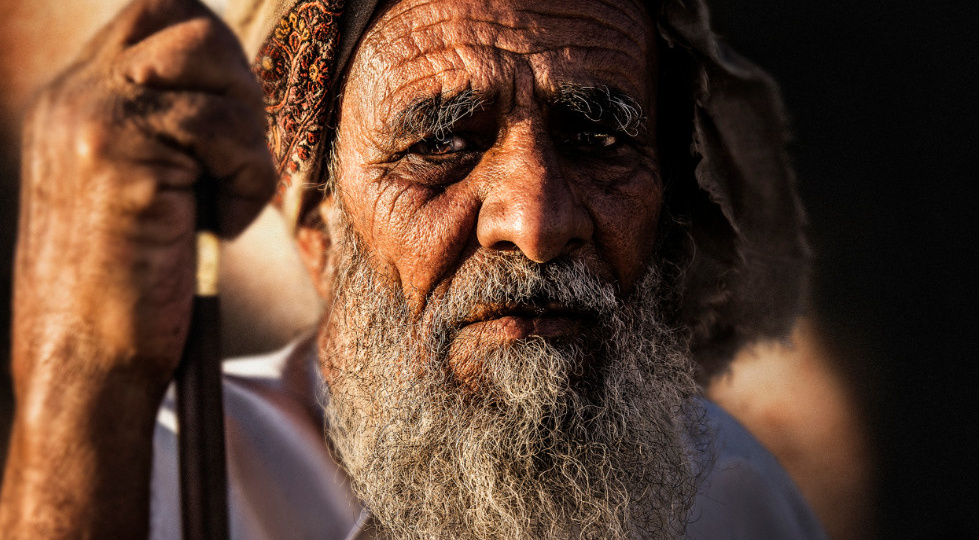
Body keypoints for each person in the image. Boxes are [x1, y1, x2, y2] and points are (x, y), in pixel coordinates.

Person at [0, 0, 822, 538]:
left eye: (596, 137)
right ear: (318, 222)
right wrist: (83, 370)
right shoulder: (161, 475)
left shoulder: (731, 492)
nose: (534, 223)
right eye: (440, 143)